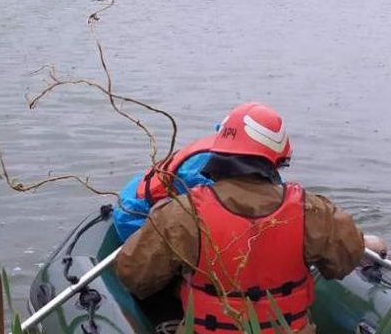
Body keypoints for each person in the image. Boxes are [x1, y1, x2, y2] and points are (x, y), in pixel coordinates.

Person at [115, 102, 383, 334]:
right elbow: (346, 257)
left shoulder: (182, 213)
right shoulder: (312, 211)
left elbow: (134, 275)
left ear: (219, 151)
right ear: (277, 159)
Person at [112, 103, 272, 241]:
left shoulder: (224, 155)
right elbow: (207, 211)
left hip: (144, 197)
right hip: (135, 216)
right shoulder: (201, 172)